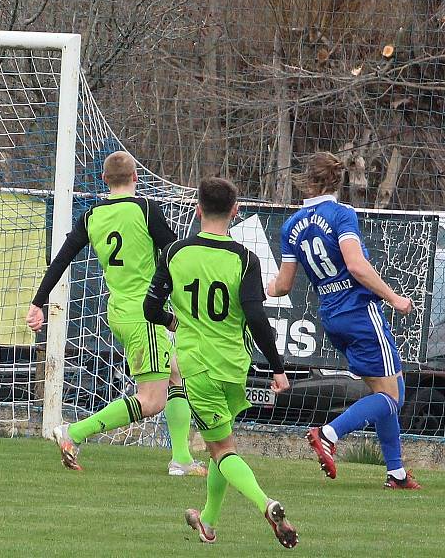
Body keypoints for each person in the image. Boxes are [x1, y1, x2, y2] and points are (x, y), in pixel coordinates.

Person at [27, 151, 204, 476]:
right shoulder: (147, 209)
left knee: (177, 372)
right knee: (152, 401)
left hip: (120, 311)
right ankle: (74, 433)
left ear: (105, 180)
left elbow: (62, 259)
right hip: (145, 314)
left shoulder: (92, 216)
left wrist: (37, 302)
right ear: (136, 178)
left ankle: (181, 459)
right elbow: (177, 255)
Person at [144, 177, 297, 548]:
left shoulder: (175, 252)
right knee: (219, 446)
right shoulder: (245, 259)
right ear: (235, 211)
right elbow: (257, 319)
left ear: (197, 209)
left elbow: (150, 308)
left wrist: (172, 321)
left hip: (198, 368)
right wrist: (277, 368)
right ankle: (208, 522)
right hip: (234, 367)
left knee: (223, 450)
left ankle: (267, 504)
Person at [267, 152, 420, 489]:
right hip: (360, 312)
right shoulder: (341, 214)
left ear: (307, 181)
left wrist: (259, 288)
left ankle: (396, 473)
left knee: (392, 387)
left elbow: (282, 285)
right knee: (390, 399)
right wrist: (393, 298)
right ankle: (328, 433)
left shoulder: (292, 226)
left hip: (332, 316)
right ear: (337, 181)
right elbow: (356, 266)